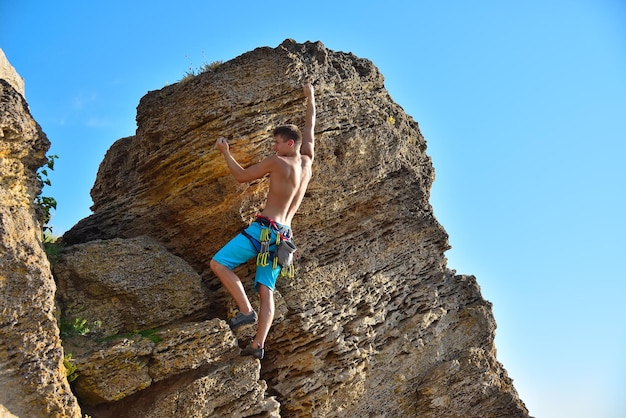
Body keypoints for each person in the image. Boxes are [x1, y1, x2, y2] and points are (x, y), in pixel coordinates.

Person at [210, 82, 316, 360]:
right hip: (284, 237)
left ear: (289, 143)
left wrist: (225, 152)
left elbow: (242, 177)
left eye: (278, 142)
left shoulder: (277, 162)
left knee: (218, 263)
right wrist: (310, 97)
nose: (274, 146)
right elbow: (310, 128)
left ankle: (245, 312)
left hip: (264, 231)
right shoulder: (307, 162)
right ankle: (258, 345)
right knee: (265, 290)